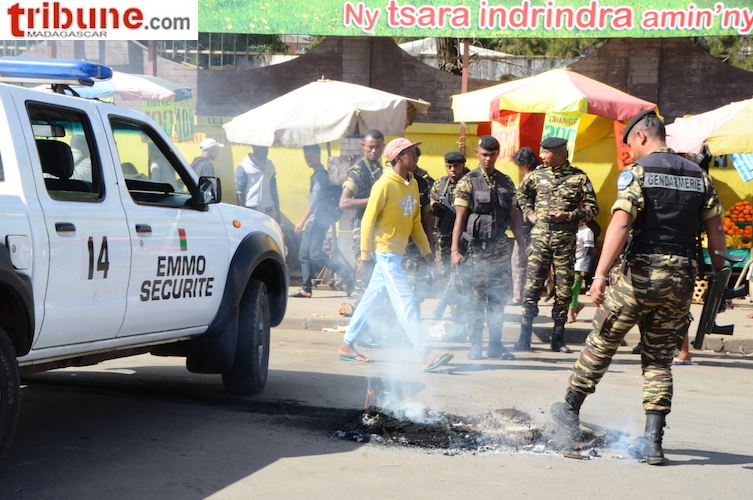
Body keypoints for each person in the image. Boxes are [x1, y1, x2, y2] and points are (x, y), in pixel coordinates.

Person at [550, 110, 727, 466]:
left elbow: (620, 224)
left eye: (630, 144)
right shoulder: (700, 177)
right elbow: (716, 231)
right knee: (660, 360)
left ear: (643, 136)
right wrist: (719, 282)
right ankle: (653, 442)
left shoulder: (639, 172)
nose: (630, 152)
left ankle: (569, 409)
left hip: (640, 275)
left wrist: (599, 275)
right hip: (682, 280)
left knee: (603, 340)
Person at [337, 138, 453, 372]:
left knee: (370, 300)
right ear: (399, 157)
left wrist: (428, 253)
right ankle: (425, 353)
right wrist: (365, 256)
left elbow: (415, 222)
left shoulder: (412, 183)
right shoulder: (384, 185)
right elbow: (368, 221)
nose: (416, 156)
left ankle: (347, 344)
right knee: (405, 300)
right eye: (411, 152)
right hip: (385, 253)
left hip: (395, 254)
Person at [515, 137, 599, 353]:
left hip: (565, 241)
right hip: (540, 239)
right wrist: (530, 213)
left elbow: (592, 209)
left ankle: (558, 338)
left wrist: (568, 216)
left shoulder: (579, 178)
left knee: (563, 290)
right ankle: (524, 337)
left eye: (546, 152)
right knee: (531, 287)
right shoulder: (537, 175)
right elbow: (521, 193)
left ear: (560, 154)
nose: (542, 156)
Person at [450, 135, 524, 360]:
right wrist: (455, 251)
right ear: (477, 154)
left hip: (500, 250)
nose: (488, 159)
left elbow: (514, 217)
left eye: (492, 155)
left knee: (498, 300)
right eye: (484, 155)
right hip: (476, 252)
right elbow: (460, 219)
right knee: (476, 301)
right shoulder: (468, 181)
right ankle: (476, 345)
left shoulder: (506, 182)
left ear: (497, 154)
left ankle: (496, 345)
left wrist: (522, 246)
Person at [291, 145, 352, 298]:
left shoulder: (320, 176)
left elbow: (315, 201)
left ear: (318, 155)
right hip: (317, 220)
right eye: (306, 157)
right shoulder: (317, 175)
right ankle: (306, 288)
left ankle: (347, 275)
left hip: (317, 220)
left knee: (314, 255)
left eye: (311, 156)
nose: (308, 159)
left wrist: (302, 221)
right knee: (306, 254)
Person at [339, 129, 385, 304]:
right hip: (362, 226)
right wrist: (373, 200)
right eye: (370, 147)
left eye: (378, 147)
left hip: (376, 226)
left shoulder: (378, 167)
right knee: (364, 270)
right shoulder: (359, 169)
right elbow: (344, 202)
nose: (374, 151)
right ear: (363, 146)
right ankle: (357, 307)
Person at [430, 151, 470, 327]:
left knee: (461, 276)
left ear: (463, 166)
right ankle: (455, 314)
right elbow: (430, 201)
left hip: (464, 238)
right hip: (444, 237)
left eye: (456, 166)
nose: (453, 170)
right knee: (447, 275)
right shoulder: (440, 184)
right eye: (449, 166)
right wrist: (433, 205)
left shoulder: (470, 183)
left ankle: (460, 314)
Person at [402, 146, 435, 304]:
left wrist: (429, 243)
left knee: (419, 283)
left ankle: (415, 313)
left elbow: (427, 216)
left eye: (416, 156)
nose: (414, 159)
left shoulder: (421, 182)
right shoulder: (388, 181)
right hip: (396, 242)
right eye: (411, 156)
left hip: (417, 239)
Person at [509, 147, 540, 305]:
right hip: (525, 226)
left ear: (526, 163)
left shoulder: (532, 178)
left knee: (519, 260)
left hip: (527, 227)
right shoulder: (533, 176)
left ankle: (519, 295)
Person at [235, 145, 280, 220]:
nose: (266, 151)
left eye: (266, 149)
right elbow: (239, 191)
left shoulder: (270, 167)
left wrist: (278, 213)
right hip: (251, 209)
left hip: (268, 209)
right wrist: (242, 212)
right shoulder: (244, 167)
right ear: (254, 149)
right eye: (262, 149)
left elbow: (274, 191)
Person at [567, 221, 595, 323]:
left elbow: (589, 252)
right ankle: (577, 305)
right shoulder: (567, 229)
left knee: (574, 290)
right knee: (565, 290)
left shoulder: (586, 232)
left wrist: (585, 268)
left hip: (578, 265)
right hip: (565, 265)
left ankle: (571, 314)